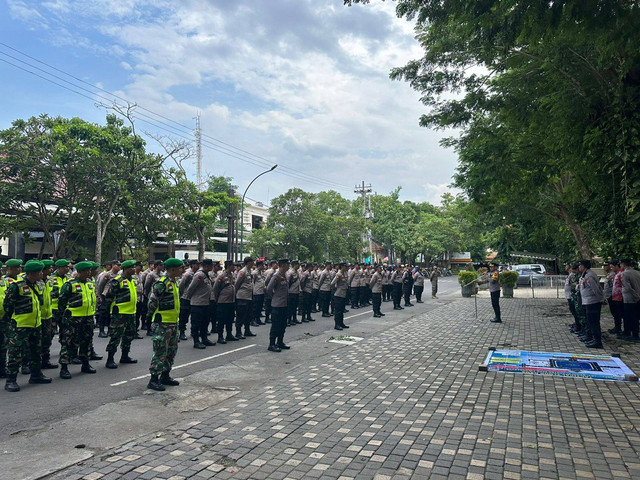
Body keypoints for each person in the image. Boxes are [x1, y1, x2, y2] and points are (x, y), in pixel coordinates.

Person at [3, 260, 52, 392]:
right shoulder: (17, 286)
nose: (42, 274)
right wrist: (13, 321)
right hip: (21, 325)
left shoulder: (38, 285)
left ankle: (36, 374)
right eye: (39, 272)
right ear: (32, 274)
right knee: (16, 352)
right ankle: (11, 380)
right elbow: (7, 305)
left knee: (36, 351)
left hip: (36, 324)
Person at [146, 257, 184, 391]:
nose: (182, 270)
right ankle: (153, 379)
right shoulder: (161, 283)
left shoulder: (175, 282)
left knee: (171, 351)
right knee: (160, 351)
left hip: (173, 323)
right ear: (173, 269)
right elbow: (151, 303)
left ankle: (165, 375)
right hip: (162, 324)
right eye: (180, 268)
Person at [58, 261, 98, 379]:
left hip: (88, 317)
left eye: (90, 270)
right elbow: (62, 302)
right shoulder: (70, 284)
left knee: (86, 341)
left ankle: (85, 363)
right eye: (87, 271)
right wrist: (65, 316)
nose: (89, 272)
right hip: (73, 318)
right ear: (79, 272)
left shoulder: (90, 283)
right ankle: (64, 367)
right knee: (68, 343)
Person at [103, 260, 139, 368]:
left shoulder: (132, 280)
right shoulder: (117, 281)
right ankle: (110, 359)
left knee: (129, 335)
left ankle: (125, 356)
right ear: (126, 269)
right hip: (120, 313)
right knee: (116, 336)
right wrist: (109, 311)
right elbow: (109, 297)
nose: (134, 269)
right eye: (132, 267)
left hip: (131, 312)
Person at [185, 259, 216, 349]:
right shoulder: (199, 275)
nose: (212, 267)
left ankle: (204, 339)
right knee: (196, 323)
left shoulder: (206, 274)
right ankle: (196, 341)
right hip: (198, 303)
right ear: (206, 266)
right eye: (211, 265)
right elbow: (191, 288)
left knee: (205, 322)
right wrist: (191, 298)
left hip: (205, 303)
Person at [578, 259, 604, 348]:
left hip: (592, 302)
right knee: (591, 321)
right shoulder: (585, 274)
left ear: (584, 266)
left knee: (594, 322)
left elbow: (595, 289)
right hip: (588, 301)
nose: (579, 267)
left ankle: (598, 341)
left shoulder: (589, 276)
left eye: (580, 265)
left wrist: (601, 299)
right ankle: (593, 338)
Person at [266, 259, 290, 352]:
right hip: (277, 304)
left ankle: (280, 342)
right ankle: (271, 344)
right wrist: (274, 297)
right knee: (276, 325)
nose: (288, 267)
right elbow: (269, 288)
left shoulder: (284, 275)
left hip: (284, 304)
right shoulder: (276, 275)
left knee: (283, 324)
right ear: (283, 265)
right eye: (288, 265)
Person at [38, 259, 57, 370]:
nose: (51, 270)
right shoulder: (34, 282)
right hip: (37, 316)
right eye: (49, 268)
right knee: (34, 342)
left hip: (48, 315)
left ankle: (45, 360)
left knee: (47, 338)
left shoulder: (49, 281)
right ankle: (27, 363)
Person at [213, 260, 237, 344]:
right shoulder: (221, 275)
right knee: (221, 320)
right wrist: (217, 299)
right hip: (223, 301)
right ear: (229, 266)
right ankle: (220, 336)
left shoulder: (232, 275)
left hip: (231, 301)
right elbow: (216, 288)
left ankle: (229, 334)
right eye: (233, 266)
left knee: (230, 319)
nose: (234, 267)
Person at [96, 261, 121, 338]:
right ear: (113, 265)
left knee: (113, 313)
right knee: (104, 313)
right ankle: (101, 330)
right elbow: (101, 285)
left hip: (115, 296)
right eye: (118, 265)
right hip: (107, 295)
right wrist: (100, 295)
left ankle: (110, 330)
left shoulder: (120, 275)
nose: (119, 267)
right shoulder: (107, 274)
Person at [178, 259, 199, 341]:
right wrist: (182, 294)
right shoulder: (188, 274)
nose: (198, 266)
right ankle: (181, 332)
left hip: (193, 297)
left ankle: (193, 332)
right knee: (184, 316)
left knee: (194, 316)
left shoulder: (197, 273)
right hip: (186, 297)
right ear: (193, 265)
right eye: (197, 264)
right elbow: (181, 285)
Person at [620, 259, 640, 342]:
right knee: (636, 316)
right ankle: (634, 333)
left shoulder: (624, 274)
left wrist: (635, 295)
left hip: (630, 299)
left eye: (621, 265)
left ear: (624, 265)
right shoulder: (637, 272)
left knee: (630, 317)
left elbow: (627, 287)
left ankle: (633, 335)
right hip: (637, 298)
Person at [143, 260, 164, 336]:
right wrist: (146, 296)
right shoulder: (151, 274)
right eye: (161, 265)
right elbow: (147, 286)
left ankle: (157, 328)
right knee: (150, 314)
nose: (162, 267)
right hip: (152, 297)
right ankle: (149, 329)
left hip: (160, 298)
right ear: (157, 266)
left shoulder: (162, 274)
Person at [331, 263, 350, 330]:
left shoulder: (345, 273)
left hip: (344, 294)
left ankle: (341, 323)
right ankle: (337, 324)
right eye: (346, 267)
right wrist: (336, 289)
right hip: (338, 294)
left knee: (342, 310)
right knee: (338, 311)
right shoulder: (338, 274)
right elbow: (332, 283)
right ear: (342, 267)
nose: (347, 268)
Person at [610, 261, 625, 336]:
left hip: (620, 297)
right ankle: (617, 328)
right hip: (615, 297)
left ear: (617, 266)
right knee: (616, 314)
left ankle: (620, 330)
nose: (611, 268)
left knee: (620, 314)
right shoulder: (616, 274)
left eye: (612, 266)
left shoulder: (621, 274)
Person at [286, 260, 301, 326]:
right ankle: (289, 319)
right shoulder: (290, 272)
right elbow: (288, 282)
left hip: (296, 291)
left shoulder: (297, 272)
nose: (299, 266)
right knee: (290, 307)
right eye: (297, 264)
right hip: (291, 292)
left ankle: (294, 318)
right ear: (294, 265)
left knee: (295, 306)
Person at [252, 260, 266, 326]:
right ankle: (253, 319)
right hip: (256, 292)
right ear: (258, 266)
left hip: (261, 292)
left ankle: (258, 319)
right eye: (262, 265)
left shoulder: (262, 272)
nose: (263, 266)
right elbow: (253, 282)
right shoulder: (254, 273)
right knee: (255, 307)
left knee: (260, 306)